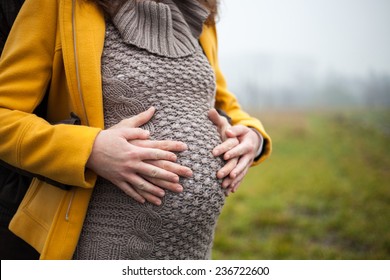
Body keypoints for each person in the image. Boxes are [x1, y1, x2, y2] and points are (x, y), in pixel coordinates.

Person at [0, 0, 271, 260]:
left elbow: (220, 100)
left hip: (194, 252)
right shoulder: (59, 5)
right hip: (102, 248)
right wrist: (89, 149)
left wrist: (251, 135)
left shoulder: (198, 11)